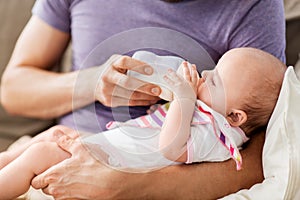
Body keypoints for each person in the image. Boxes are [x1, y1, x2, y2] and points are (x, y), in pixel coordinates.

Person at [0, 0, 286, 199]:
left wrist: (126, 186)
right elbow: (12, 90)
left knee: (40, 154)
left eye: (213, 78)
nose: (204, 74)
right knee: (47, 139)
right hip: (92, 138)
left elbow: (266, 153)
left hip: (122, 164)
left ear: (235, 117)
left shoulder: (215, 128)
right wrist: (91, 82)